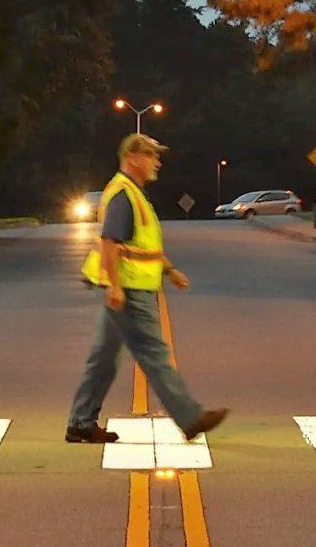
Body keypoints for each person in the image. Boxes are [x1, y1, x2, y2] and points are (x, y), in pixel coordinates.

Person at [65, 133, 229, 444]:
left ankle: (81, 422)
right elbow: (110, 242)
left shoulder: (135, 194)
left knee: (103, 359)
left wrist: (169, 270)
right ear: (133, 158)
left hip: (130, 286)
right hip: (130, 290)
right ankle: (191, 418)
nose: (158, 161)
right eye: (152, 155)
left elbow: (143, 245)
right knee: (154, 354)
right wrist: (115, 286)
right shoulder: (124, 195)